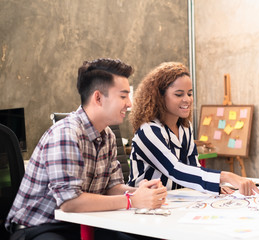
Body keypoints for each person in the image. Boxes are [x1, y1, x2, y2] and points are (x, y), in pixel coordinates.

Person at [6, 58, 167, 240]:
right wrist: (132, 201)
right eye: (123, 96)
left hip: (82, 223)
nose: (129, 103)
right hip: (39, 227)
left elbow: (111, 187)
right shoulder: (66, 133)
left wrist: (138, 192)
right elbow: (69, 202)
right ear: (98, 97)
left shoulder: (108, 136)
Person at [127, 62, 259, 197]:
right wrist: (227, 176)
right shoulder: (148, 131)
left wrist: (215, 187)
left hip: (176, 201)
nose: (187, 99)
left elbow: (194, 167)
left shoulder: (185, 127)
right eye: (179, 94)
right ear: (160, 97)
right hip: (145, 206)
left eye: (189, 93)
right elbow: (175, 170)